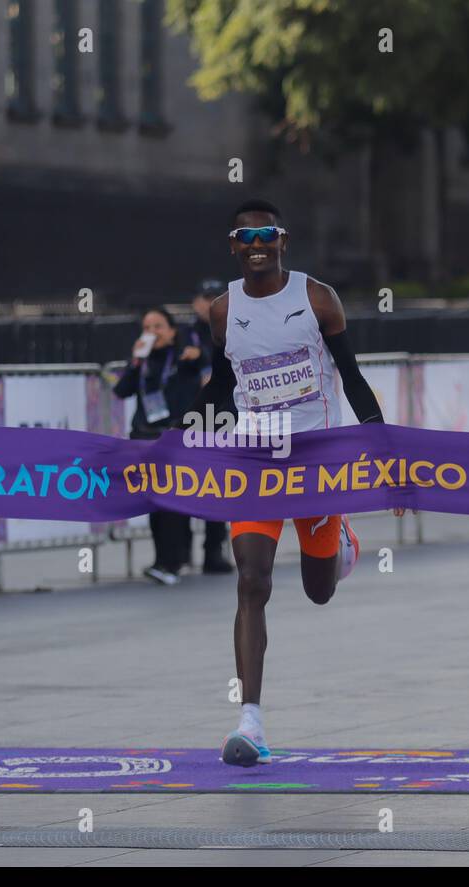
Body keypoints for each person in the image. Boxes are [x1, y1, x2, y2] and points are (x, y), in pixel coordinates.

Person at [186, 198, 403, 767]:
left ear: (282, 240)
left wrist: (385, 455)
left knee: (318, 589)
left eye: (266, 233)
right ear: (233, 246)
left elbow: (351, 378)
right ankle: (250, 721)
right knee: (251, 582)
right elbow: (222, 387)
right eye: (244, 235)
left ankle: (342, 543)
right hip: (255, 461)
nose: (256, 242)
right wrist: (174, 435)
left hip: (317, 461)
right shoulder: (222, 312)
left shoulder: (315, 298)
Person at [113, 306, 204, 586]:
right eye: (147, 327)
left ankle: (174, 561)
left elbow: (202, 365)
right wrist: (135, 362)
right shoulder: (144, 363)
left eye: (158, 327)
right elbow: (121, 390)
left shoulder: (181, 357)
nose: (152, 333)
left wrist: (197, 356)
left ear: (172, 331)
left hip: (174, 438)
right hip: (144, 437)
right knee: (152, 501)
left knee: (173, 502)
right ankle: (161, 560)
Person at [188, 278, 234, 574]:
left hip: (223, 417)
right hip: (194, 416)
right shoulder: (185, 335)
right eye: (207, 298)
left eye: (217, 297)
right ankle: (176, 552)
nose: (212, 303)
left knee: (218, 485)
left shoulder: (233, 329)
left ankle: (214, 549)